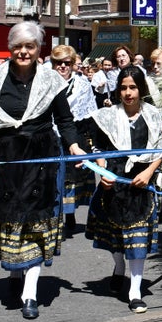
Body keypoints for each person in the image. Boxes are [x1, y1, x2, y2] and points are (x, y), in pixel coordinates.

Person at [0, 22, 85, 320]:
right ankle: (14, 273)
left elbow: (65, 120)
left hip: (40, 158)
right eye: (18, 46)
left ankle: (30, 293)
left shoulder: (51, 80)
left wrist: (74, 146)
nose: (23, 51)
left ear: (38, 49)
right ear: (10, 48)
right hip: (5, 158)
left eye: (30, 46)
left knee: (35, 221)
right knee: (11, 219)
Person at [85, 67, 162, 313]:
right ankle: (119, 267)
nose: (128, 93)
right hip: (114, 183)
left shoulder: (153, 115)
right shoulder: (107, 116)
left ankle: (135, 291)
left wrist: (149, 172)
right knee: (116, 237)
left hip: (141, 184)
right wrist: (103, 171)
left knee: (137, 239)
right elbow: (99, 149)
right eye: (123, 88)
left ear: (141, 89)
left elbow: (160, 150)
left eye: (133, 87)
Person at [50, 44, 96, 237]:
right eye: (58, 63)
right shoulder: (45, 83)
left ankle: (70, 215)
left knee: (72, 178)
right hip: (50, 136)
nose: (62, 66)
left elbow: (89, 113)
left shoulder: (82, 84)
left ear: (72, 65)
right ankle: (54, 217)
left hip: (74, 135)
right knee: (53, 178)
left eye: (66, 63)